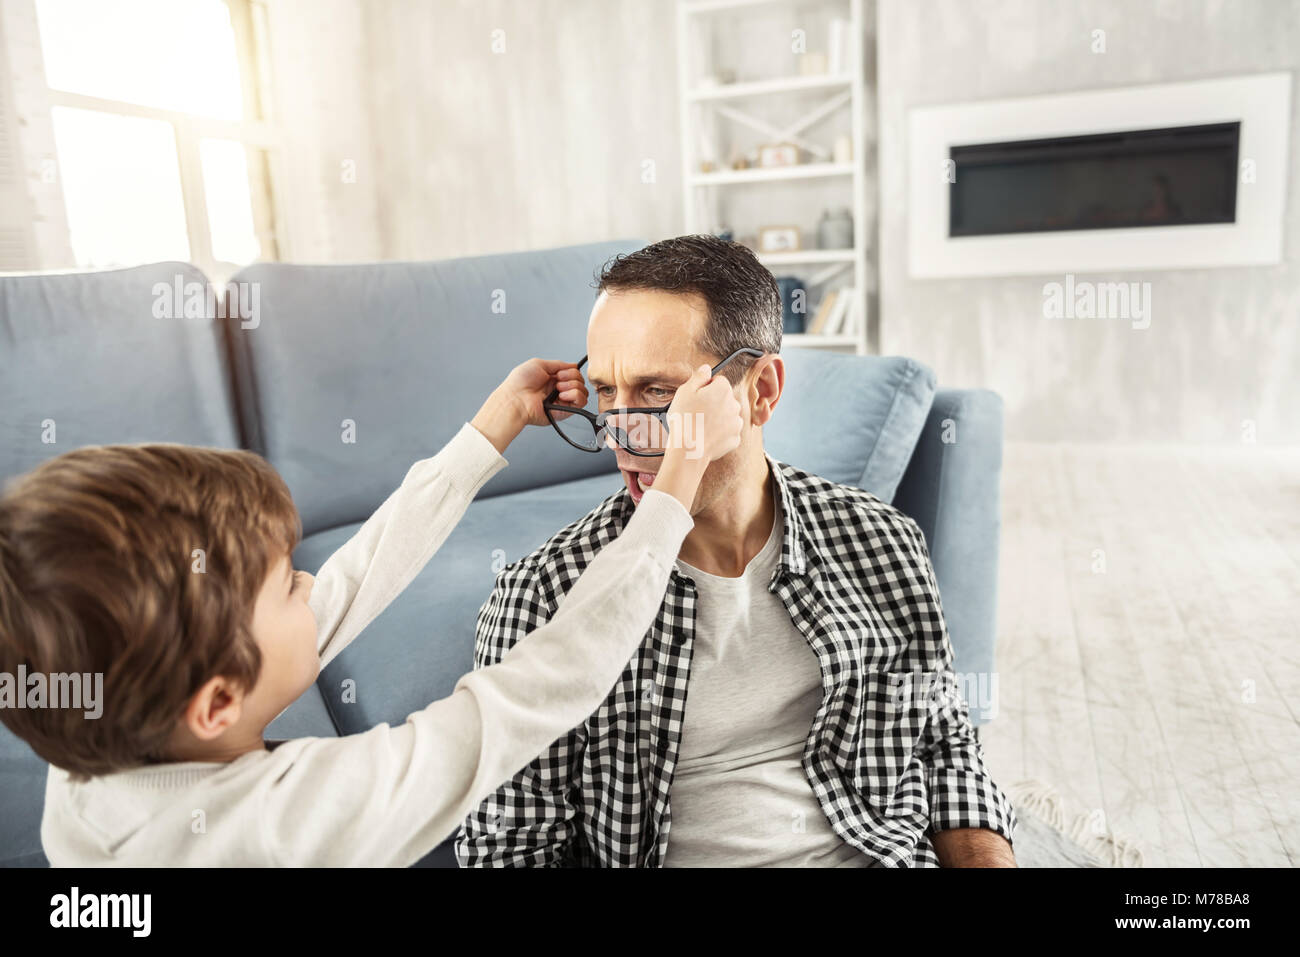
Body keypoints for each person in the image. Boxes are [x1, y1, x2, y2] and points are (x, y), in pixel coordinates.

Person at [0, 356, 742, 866]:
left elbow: (356, 574)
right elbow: (534, 691)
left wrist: (489, 432)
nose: (312, 585)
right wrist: (675, 487)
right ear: (218, 700)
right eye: (288, 583)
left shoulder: (88, 766)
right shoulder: (290, 829)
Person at [457, 235, 1018, 867]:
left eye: (658, 394)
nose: (620, 435)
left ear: (762, 391)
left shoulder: (881, 542)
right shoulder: (544, 598)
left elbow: (945, 747)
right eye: (607, 392)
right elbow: (510, 848)